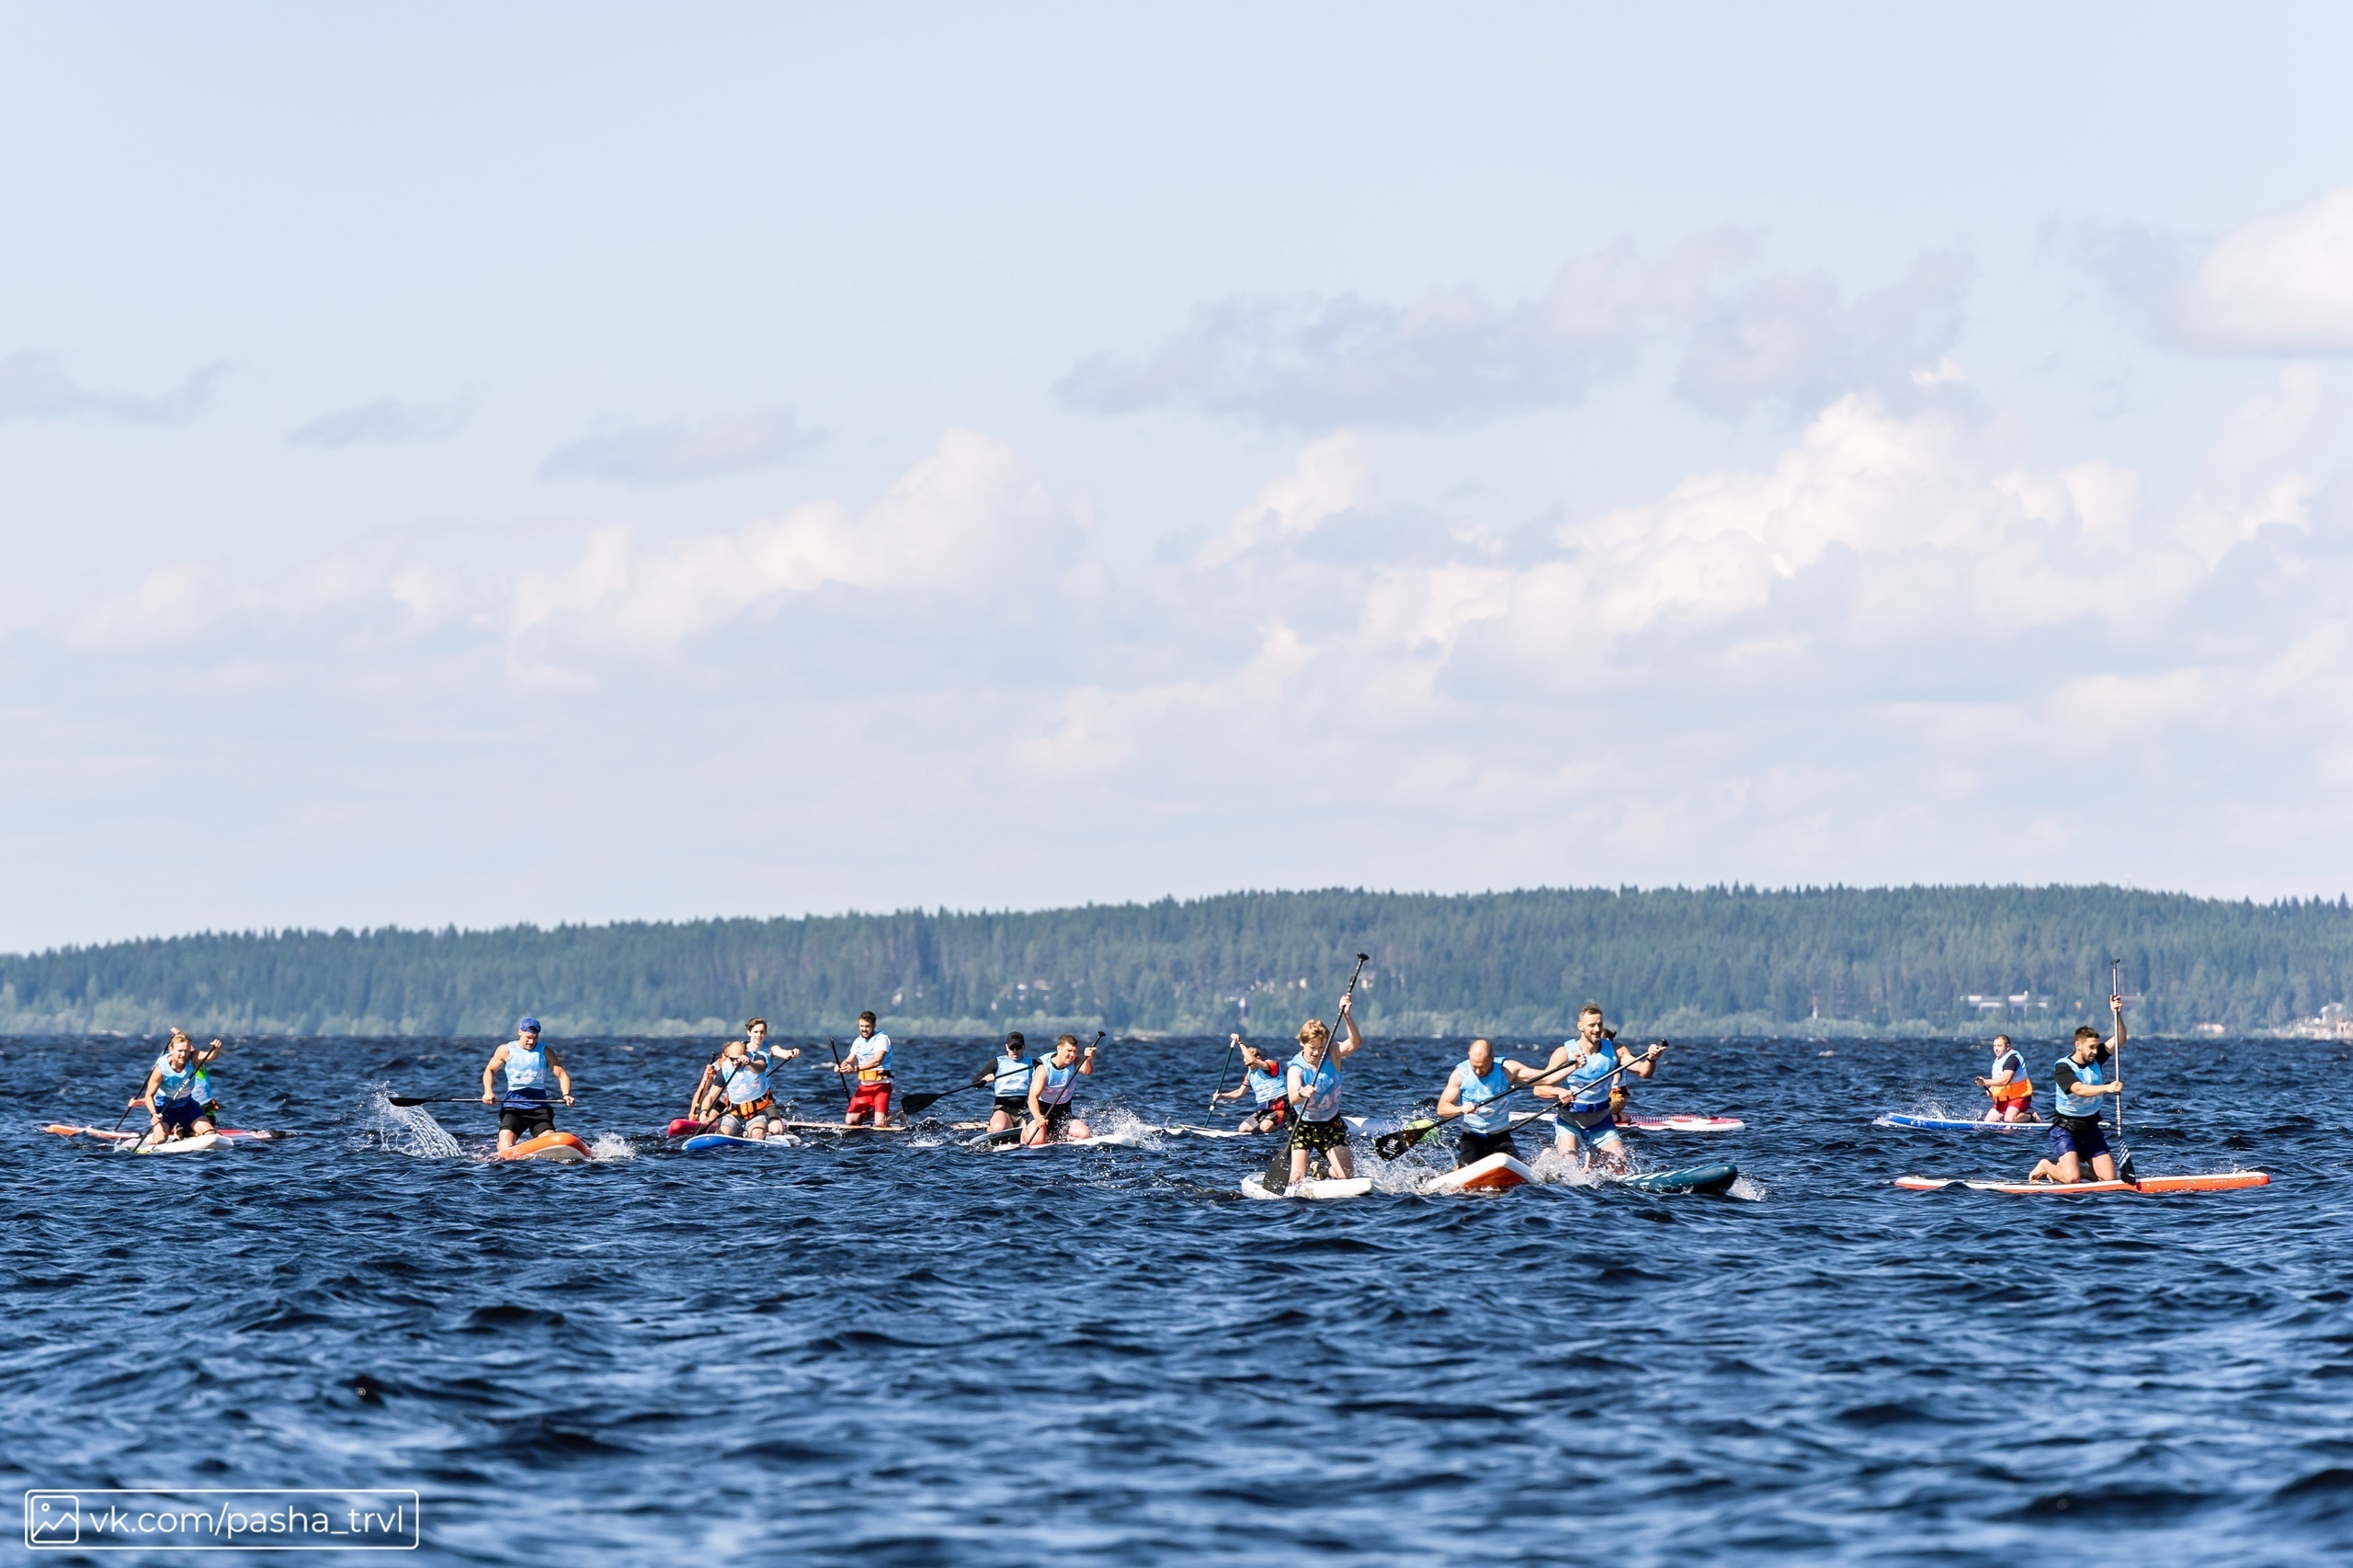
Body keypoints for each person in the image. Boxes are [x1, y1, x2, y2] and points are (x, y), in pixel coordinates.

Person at [1540, 1006, 1665, 1172]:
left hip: (1601, 1121)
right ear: (1580, 1026)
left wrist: (1651, 1059)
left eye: (1600, 1024)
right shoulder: (1564, 1053)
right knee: (1568, 1167)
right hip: (1570, 1121)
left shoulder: (1616, 1051)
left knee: (1620, 1169)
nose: (1597, 1029)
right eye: (1591, 1025)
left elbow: (1644, 1072)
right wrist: (1559, 1091)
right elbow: (1540, 1088)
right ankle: (1549, 1156)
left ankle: (1594, 1157)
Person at [2029, 1002, 2126, 1184]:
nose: (2095, 1051)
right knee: (2072, 1179)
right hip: (2066, 1129)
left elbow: (2120, 1039)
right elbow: (2079, 1090)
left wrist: (2117, 1013)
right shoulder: (2063, 1067)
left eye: (2097, 1047)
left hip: (2090, 1128)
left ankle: (2071, 1169)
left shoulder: (2097, 1057)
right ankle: (2046, 1166)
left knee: (2109, 1180)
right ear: (2078, 1045)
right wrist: (2107, 1087)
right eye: (2091, 1047)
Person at [1284, 993, 1365, 1187]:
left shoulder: (1333, 1054)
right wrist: (1302, 1093)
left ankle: (1321, 1170)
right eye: (1312, 1047)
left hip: (1330, 1123)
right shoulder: (1296, 1068)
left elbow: (1355, 1044)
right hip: (1303, 1124)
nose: (1316, 1052)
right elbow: (1293, 1099)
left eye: (1321, 1047)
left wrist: (1346, 1015)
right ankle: (1305, 1168)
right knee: (1297, 1179)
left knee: (1346, 1176)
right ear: (1302, 1043)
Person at [1435, 1037, 1550, 1166]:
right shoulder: (1460, 1074)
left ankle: (1536, 1163)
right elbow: (1442, 1109)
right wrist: (1460, 1109)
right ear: (1469, 1057)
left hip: (1500, 1136)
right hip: (1472, 1137)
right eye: (1474, 1067)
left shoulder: (1507, 1069)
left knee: (1510, 1163)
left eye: (1482, 1067)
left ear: (1492, 1058)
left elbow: (1547, 1078)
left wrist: (1574, 1065)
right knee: (1466, 1165)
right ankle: (1458, 1168)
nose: (1478, 1072)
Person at [693, 1019, 801, 1140]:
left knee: (764, 1133)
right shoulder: (726, 1068)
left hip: (759, 1105)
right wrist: (703, 1111)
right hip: (735, 1108)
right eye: (732, 1059)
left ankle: (768, 1128)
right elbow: (711, 1096)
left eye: (762, 1032)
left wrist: (749, 1063)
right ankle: (727, 1129)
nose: (735, 1062)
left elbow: (760, 1068)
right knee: (721, 1132)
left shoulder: (760, 1056)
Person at [481, 1017, 574, 1153]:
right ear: (520, 1032)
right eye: (528, 1037)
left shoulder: (545, 1052)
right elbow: (490, 1070)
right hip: (513, 1106)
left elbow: (562, 1075)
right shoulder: (506, 1050)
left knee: (548, 1138)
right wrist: (488, 1092)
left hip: (539, 1107)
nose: (531, 1041)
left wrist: (566, 1095)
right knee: (505, 1143)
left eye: (535, 1038)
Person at [135, 1028, 224, 1145]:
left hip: (187, 1105)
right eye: (180, 1051)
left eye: (186, 1051)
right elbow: (149, 1096)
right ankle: (152, 1138)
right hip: (165, 1108)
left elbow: (209, 1056)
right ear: (171, 1049)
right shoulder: (160, 1070)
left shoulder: (192, 1058)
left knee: (210, 1134)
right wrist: (154, 1115)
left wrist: (216, 1049)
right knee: (161, 1139)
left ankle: (184, 1131)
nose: (183, 1055)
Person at [1023, 1033, 1099, 1145]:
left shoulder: (1076, 1062)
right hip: (1040, 1110)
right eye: (1069, 1051)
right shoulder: (1043, 1068)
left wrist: (1088, 1059)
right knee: (1038, 1141)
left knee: (1084, 1135)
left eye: (1075, 1051)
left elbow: (1087, 1071)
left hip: (1063, 1111)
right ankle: (1024, 1130)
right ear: (1059, 1048)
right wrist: (1038, 1117)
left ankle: (1056, 1135)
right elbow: (1032, 1097)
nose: (1072, 1055)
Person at [1212, 1037, 1290, 1134]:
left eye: (1251, 1064)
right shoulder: (1250, 1074)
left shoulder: (1271, 1065)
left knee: (1265, 1127)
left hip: (1281, 1107)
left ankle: (1288, 1122)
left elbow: (1253, 1061)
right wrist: (1222, 1096)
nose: (1250, 1067)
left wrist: (1239, 1042)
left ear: (1258, 1058)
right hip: (1264, 1109)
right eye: (1247, 1065)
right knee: (1243, 1129)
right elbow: (1239, 1093)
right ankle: (1266, 1129)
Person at [834, 1011, 893, 1126]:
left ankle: (898, 1113)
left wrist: (855, 1069)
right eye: (861, 1026)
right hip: (865, 1086)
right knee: (850, 1121)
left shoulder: (881, 1038)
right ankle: (877, 1113)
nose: (864, 1029)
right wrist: (841, 1066)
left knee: (880, 1123)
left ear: (873, 1026)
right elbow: (850, 1060)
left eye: (867, 1026)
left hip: (882, 1084)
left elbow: (877, 1061)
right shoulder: (858, 1041)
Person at [981, 1030, 1035, 1136]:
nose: (1015, 1051)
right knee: (999, 1127)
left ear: (1024, 1047)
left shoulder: (1033, 1063)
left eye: (1018, 1047)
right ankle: (991, 1127)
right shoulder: (996, 1063)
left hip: (1025, 1110)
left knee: (1033, 1131)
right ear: (1006, 1047)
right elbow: (976, 1081)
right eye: (1012, 1048)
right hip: (1003, 1109)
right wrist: (984, 1079)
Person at [1976, 1033, 2036, 1123]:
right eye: (1994, 1046)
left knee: (2009, 1119)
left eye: (1999, 1046)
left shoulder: (2013, 1059)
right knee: (1988, 1122)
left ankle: (2032, 1117)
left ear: (2007, 1047)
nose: (1996, 1049)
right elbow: (1998, 1079)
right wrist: (1992, 1089)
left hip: (2020, 1097)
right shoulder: (1998, 1060)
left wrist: (1985, 1082)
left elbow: (2005, 1080)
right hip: (2005, 1099)